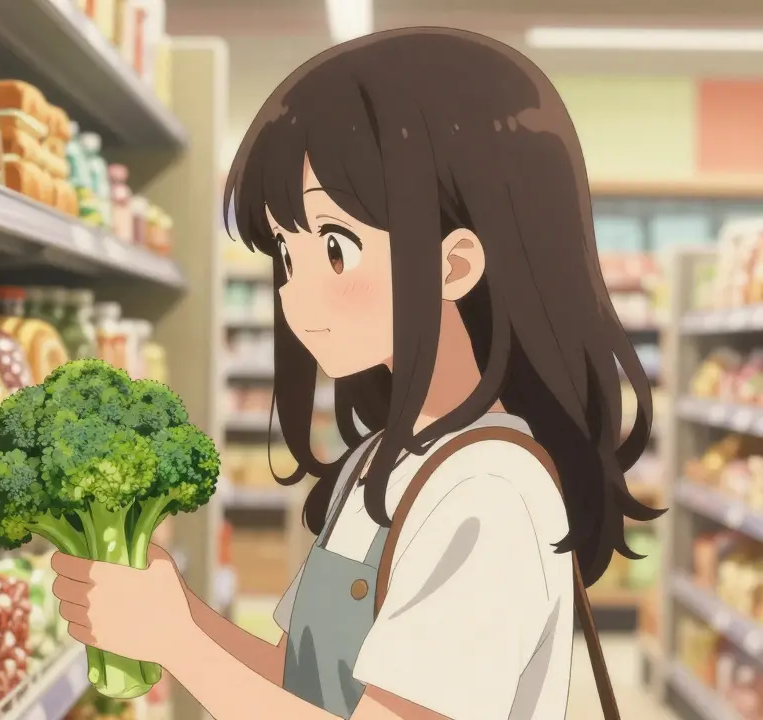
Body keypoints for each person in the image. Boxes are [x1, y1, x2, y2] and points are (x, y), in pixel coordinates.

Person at [48, 26, 663, 720]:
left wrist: (177, 643)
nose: (294, 292)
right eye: (286, 252)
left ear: (456, 264)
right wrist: (178, 622)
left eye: (336, 247)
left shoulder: (491, 492)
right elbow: (297, 681)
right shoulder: (380, 458)